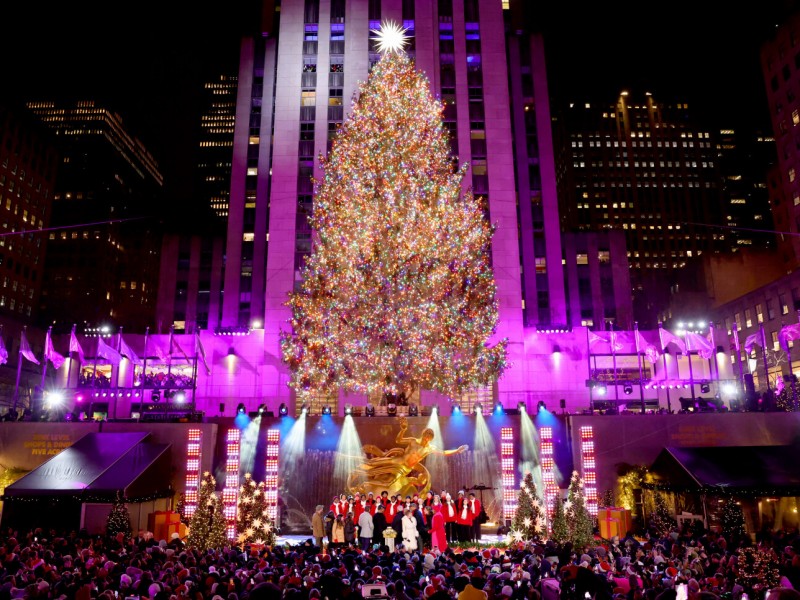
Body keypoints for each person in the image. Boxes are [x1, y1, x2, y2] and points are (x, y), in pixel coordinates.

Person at [348, 416, 468, 497]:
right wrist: (403, 429)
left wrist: (456, 451)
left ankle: (365, 485)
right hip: (396, 460)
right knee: (373, 463)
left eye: (428, 438)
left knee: (389, 483)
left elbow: (443, 452)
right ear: (423, 434)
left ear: (430, 439)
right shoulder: (413, 441)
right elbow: (398, 440)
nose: (426, 440)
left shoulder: (429, 448)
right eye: (425, 436)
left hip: (404, 469)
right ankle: (356, 473)